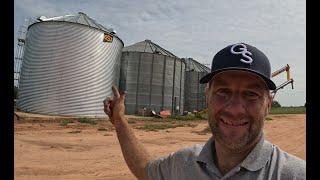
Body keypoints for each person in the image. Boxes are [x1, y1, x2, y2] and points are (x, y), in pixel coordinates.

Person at [103, 43, 306, 180]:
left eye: (251, 94)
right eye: (223, 92)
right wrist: (120, 123)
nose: (235, 109)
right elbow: (144, 169)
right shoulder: (183, 164)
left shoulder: (294, 174)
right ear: (207, 96)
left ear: (268, 103)